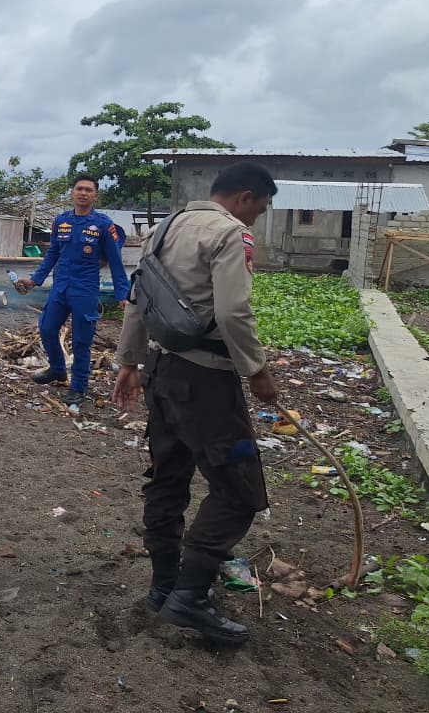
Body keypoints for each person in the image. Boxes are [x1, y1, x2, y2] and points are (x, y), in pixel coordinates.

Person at [112, 162, 279, 648]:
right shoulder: (230, 234)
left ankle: (163, 587)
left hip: (160, 374)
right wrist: (258, 371)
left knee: (168, 480)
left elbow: (138, 299)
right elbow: (232, 311)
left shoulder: (164, 228)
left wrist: (128, 361)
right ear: (245, 197)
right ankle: (190, 594)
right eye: (261, 207)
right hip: (205, 381)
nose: (257, 217)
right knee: (240, 490)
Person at [15, 175, 129, 409]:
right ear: (73, 193)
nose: (83, 193)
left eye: (88, 190)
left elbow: (116, 261)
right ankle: (57, 369)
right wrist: (35, 280)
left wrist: (122, 294)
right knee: (47, 328)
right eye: (79, 189)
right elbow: (52, 254)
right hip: (60, 287)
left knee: (81, 341)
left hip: (85, 290)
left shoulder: (103, 225)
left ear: (95, 195)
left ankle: (78, 387)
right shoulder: (61, 222)